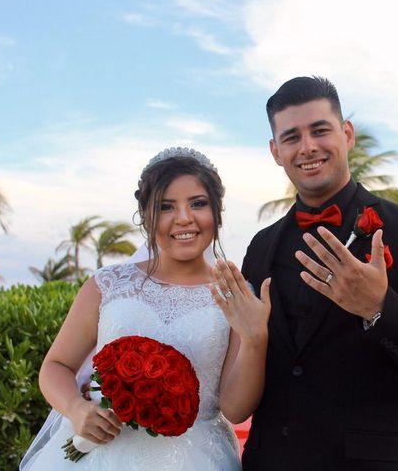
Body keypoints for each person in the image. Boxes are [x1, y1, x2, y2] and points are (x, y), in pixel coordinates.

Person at [239, 77, 398, 470]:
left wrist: (378, 308)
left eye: (320, 130)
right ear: (275, 151)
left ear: (346, 134)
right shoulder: (261, 246)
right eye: (292, 137)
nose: (308, 147)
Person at [21, 147, 271, 470]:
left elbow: (235, 409)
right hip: (101, 453)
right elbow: (55, 366)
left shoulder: (235, 294)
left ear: (217, 210)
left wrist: (255, 340)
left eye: (198, 203)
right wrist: (76, 409)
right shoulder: (107, 286)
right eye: (166, 206)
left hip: (194, 459)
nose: (184, 218)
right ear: (145, 214)